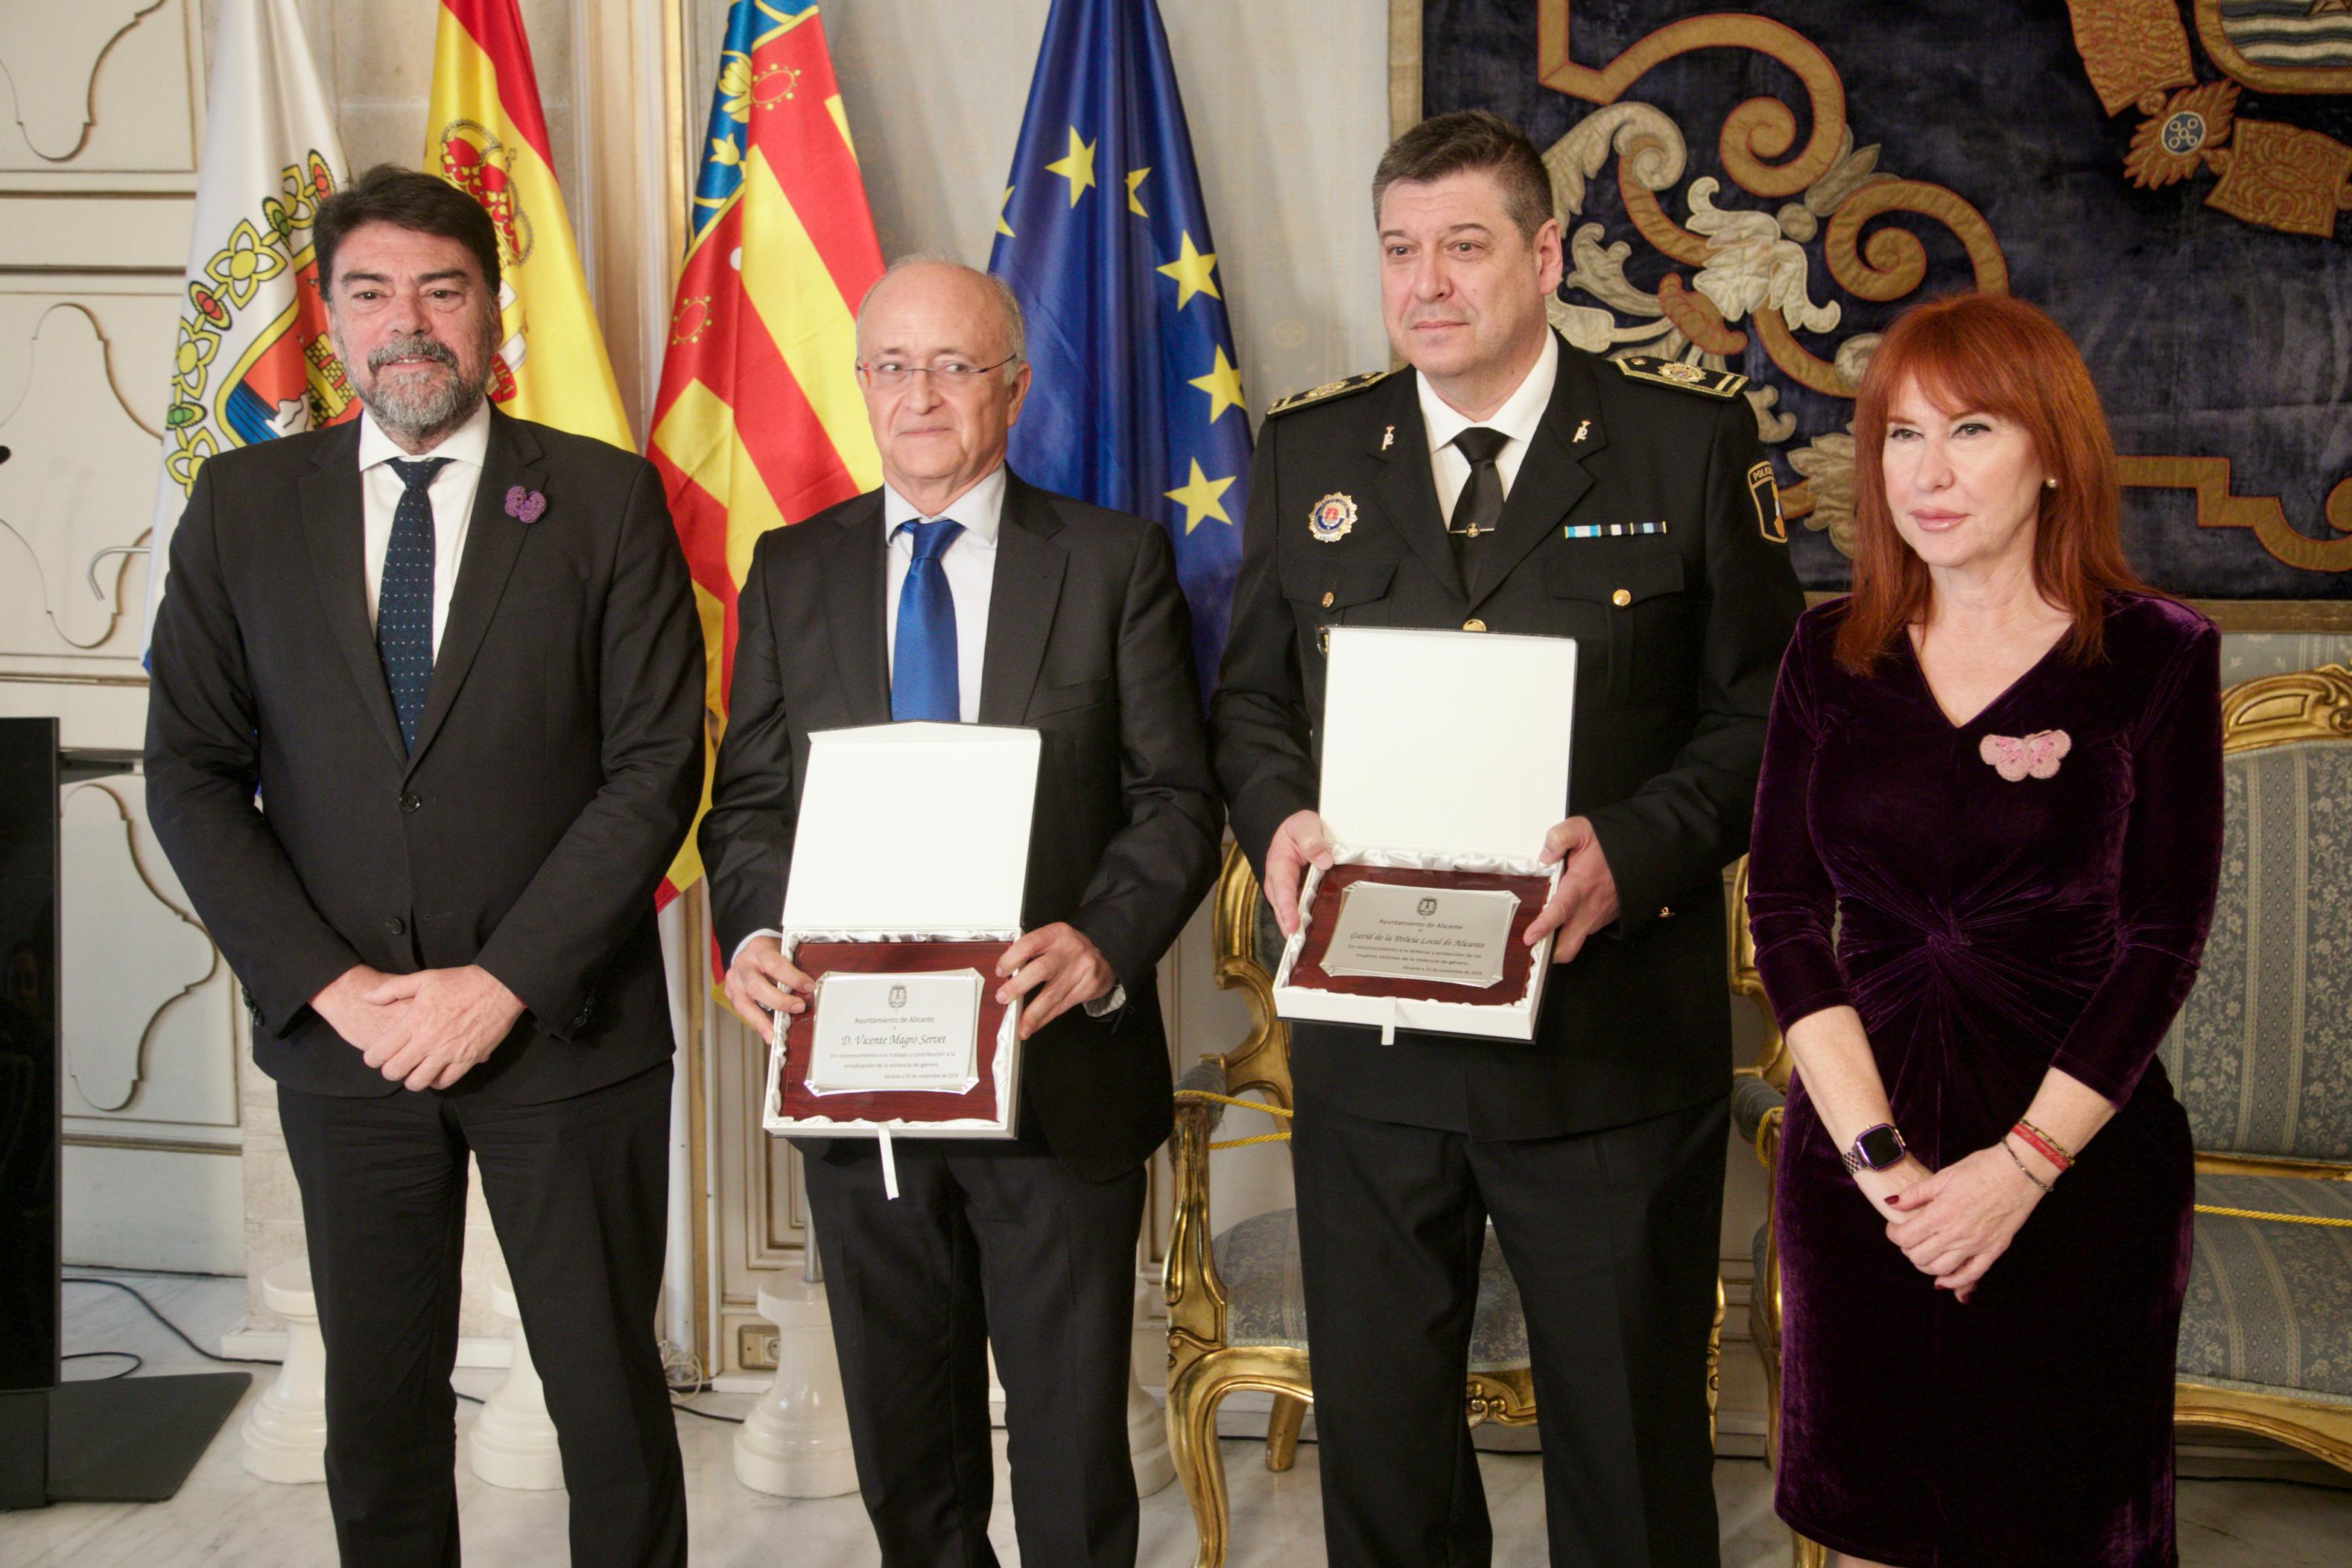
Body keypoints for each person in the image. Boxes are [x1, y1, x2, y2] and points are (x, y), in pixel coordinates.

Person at [1211, 109, 1806, 1567]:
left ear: (1543, 255)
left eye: (1464, 246)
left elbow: (1766, 720)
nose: (1427, 284)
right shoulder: (1309, 454)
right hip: (1375, 1047)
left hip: (1603, 1044)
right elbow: (1247, 700)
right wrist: (1279, 813)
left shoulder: (1684, 446)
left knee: (1626, 1442)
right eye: (1401, 251)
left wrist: (1641, 845)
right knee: (1385, 1446)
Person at [144, 165, 703, 1567]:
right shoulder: (241, 506)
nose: (409, 323)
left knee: (607, 1404)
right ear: (329, 319)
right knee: (378, 1409)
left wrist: (501, 982)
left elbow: (654, 771)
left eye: (441, 290)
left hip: (563, 1036)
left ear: (490, 312)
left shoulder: (603, 499)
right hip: (350, 1044)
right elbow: (193, 773)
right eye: (372, 292)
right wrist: (329, 984)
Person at [700, 257, 1222, 1568]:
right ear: (860, 381)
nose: (917, 394)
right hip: (857, 1073)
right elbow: (750, 804)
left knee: (1066, 1454)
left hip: (1058, 1075)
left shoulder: (1111, 563)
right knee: (906, 1450)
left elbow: (1174, 797)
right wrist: (755, 936)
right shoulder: (792, 566)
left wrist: (1102, 942)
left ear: (1013, 387)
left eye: (952, 365)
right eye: (891, 364)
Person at [1744, 291, 2223, 1567]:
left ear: (2054, 450)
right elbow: (1785, 909)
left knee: (2058, 1528)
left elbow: (2160, 940)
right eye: (1899, 438)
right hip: (1863, 1176)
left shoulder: (2160, 658)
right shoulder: (1821, 654)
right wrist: (1877, 1162)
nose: (1929, 473)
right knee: (1873, 1527)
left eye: (1969, 429)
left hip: (2075, 1172)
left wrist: (2017, 1168)